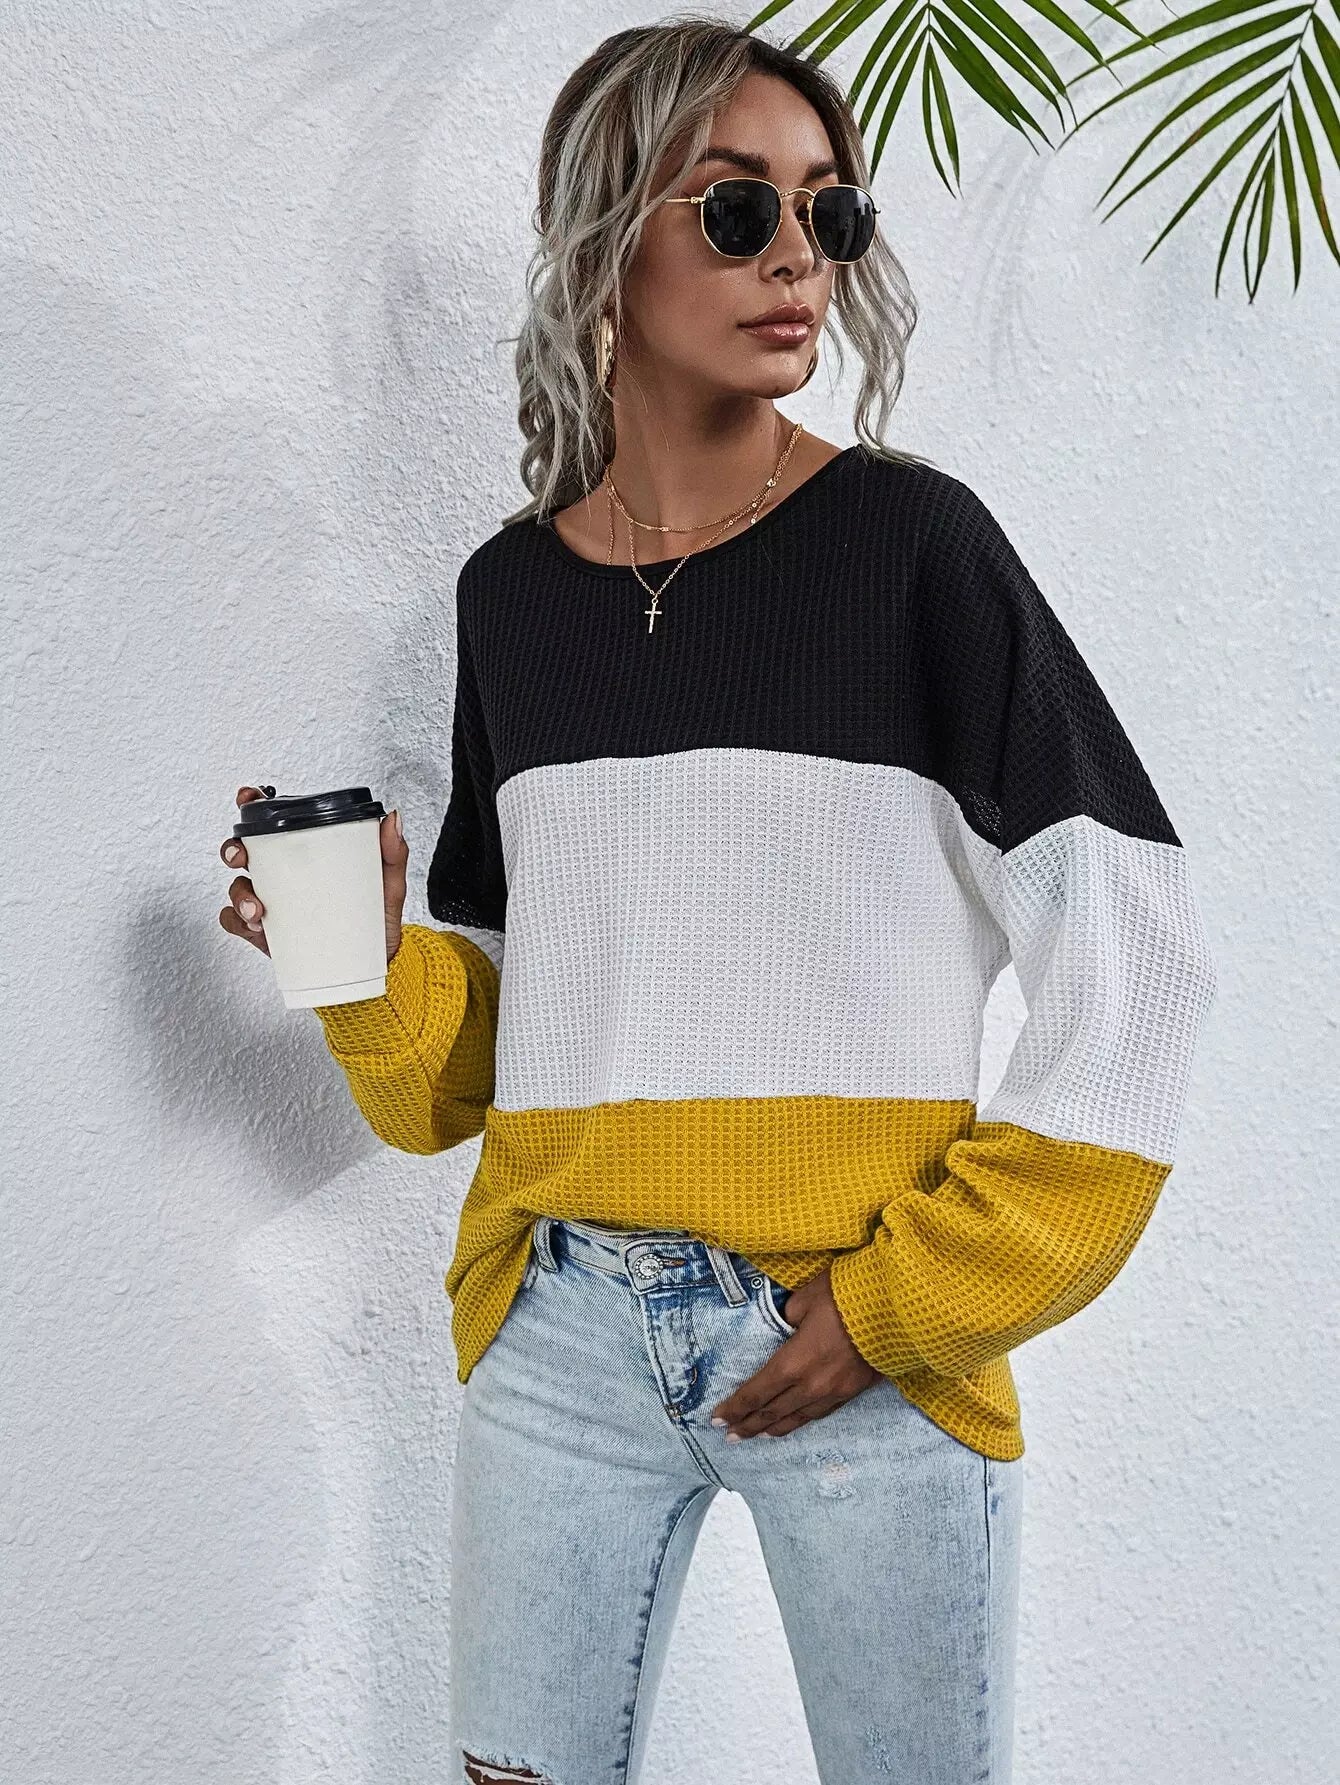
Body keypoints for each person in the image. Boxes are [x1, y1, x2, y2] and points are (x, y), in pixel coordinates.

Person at [218, 17, 1218, 1784]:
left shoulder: (916, 549)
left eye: (829, 215)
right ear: (608, 236)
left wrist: (905, 1302)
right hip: (559, 1332)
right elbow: (466, 1082)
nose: (798, 261)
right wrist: (359, 960)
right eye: (738, 209)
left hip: (858, 1323)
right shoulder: (510, 600)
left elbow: (1138, 950)